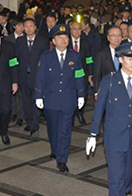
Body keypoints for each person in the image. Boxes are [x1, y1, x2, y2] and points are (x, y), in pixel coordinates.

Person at [86, 42, 132, 196]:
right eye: (129, 59)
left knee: (128, 174)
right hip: (114, 137)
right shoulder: (109, 81)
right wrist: (93, 135)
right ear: (120, 59)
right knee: (116, 177)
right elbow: (98, 109)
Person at [34, 24, 85, 172]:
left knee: (65, 130)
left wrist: (80, 94)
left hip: (68, 99)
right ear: (53, 41)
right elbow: (40, 77)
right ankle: (55, 149)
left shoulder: (74, 56)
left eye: (65, 37)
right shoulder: (46, 56)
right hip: (51, 99)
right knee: (53, 128)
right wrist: (38, 95)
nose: (63, 40)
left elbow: (79, 76)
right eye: (59, 37)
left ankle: (62, 159)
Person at [15, 18, 49, 137]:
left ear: (35, 28)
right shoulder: (19, 41)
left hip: (37, 76)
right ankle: (29, 122)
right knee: (25, 101)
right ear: (23, 28)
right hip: (23, 76)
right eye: (26, 26)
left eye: (31, 26)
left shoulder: (42, 41)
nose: (28, 28)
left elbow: (45, 60)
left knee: (36, 101)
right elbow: (16, 59)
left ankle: (35, 125)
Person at [69, 21, 93, 125]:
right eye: (74, 29)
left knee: (82, 94)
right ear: (70, 30)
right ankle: (72, 116)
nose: (76, 31)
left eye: (79, 29)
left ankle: (80, 113)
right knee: (70, 95)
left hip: (83, 73)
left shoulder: (86, 43)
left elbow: (89, 59)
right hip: (69, 74)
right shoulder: (66, 42)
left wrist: (90, 74)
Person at [5, 18, 25, 126]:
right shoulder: (8, 39)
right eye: (18, 26)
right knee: (11, 94)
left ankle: (21, 116)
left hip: (22, 70)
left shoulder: (27, 39)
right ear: (14, 27)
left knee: (22, 95)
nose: (21, 28)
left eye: (22, 26)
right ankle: (13, 113)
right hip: (10, 70)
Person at [93, 26, 122, 97]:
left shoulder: (126, 53)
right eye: (114, 36)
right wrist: (97, 92)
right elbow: (97, 74)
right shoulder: (101, 54)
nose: (117, 39)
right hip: (107, 90)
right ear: (108, 38)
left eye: (119, 36)